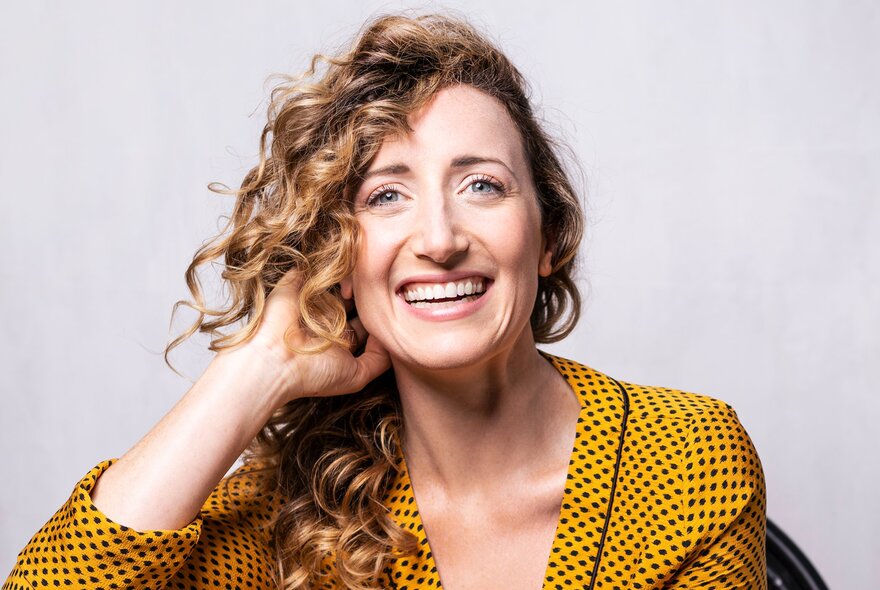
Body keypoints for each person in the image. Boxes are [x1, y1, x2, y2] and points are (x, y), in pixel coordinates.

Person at [3, 12, 766, 590]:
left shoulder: (686, 459)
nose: (438, 237)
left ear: (548, 235)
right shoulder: (299, 508)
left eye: (482, 185)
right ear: (339, 259)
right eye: (385, 195)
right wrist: (254, 371)